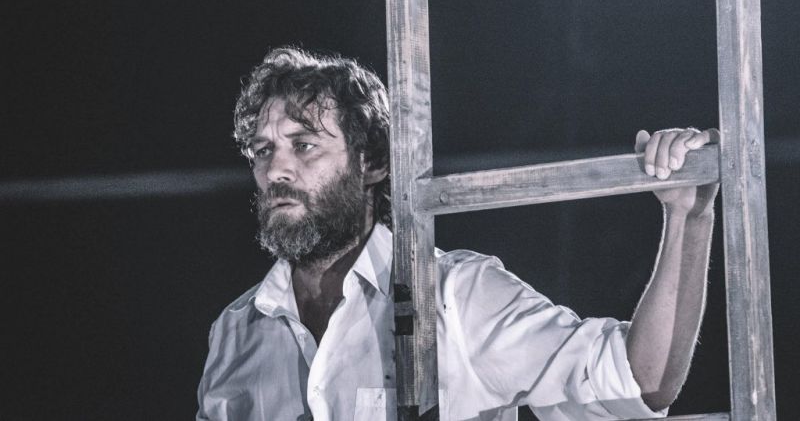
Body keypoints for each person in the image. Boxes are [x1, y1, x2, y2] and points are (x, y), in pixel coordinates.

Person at [196, 47, 719, 421]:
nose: (277, 170)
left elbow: (641, 381)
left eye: (304, 145)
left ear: (371, 162)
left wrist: (688, 218)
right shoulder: (235, 332)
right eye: (263, 150)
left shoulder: (457, 296)